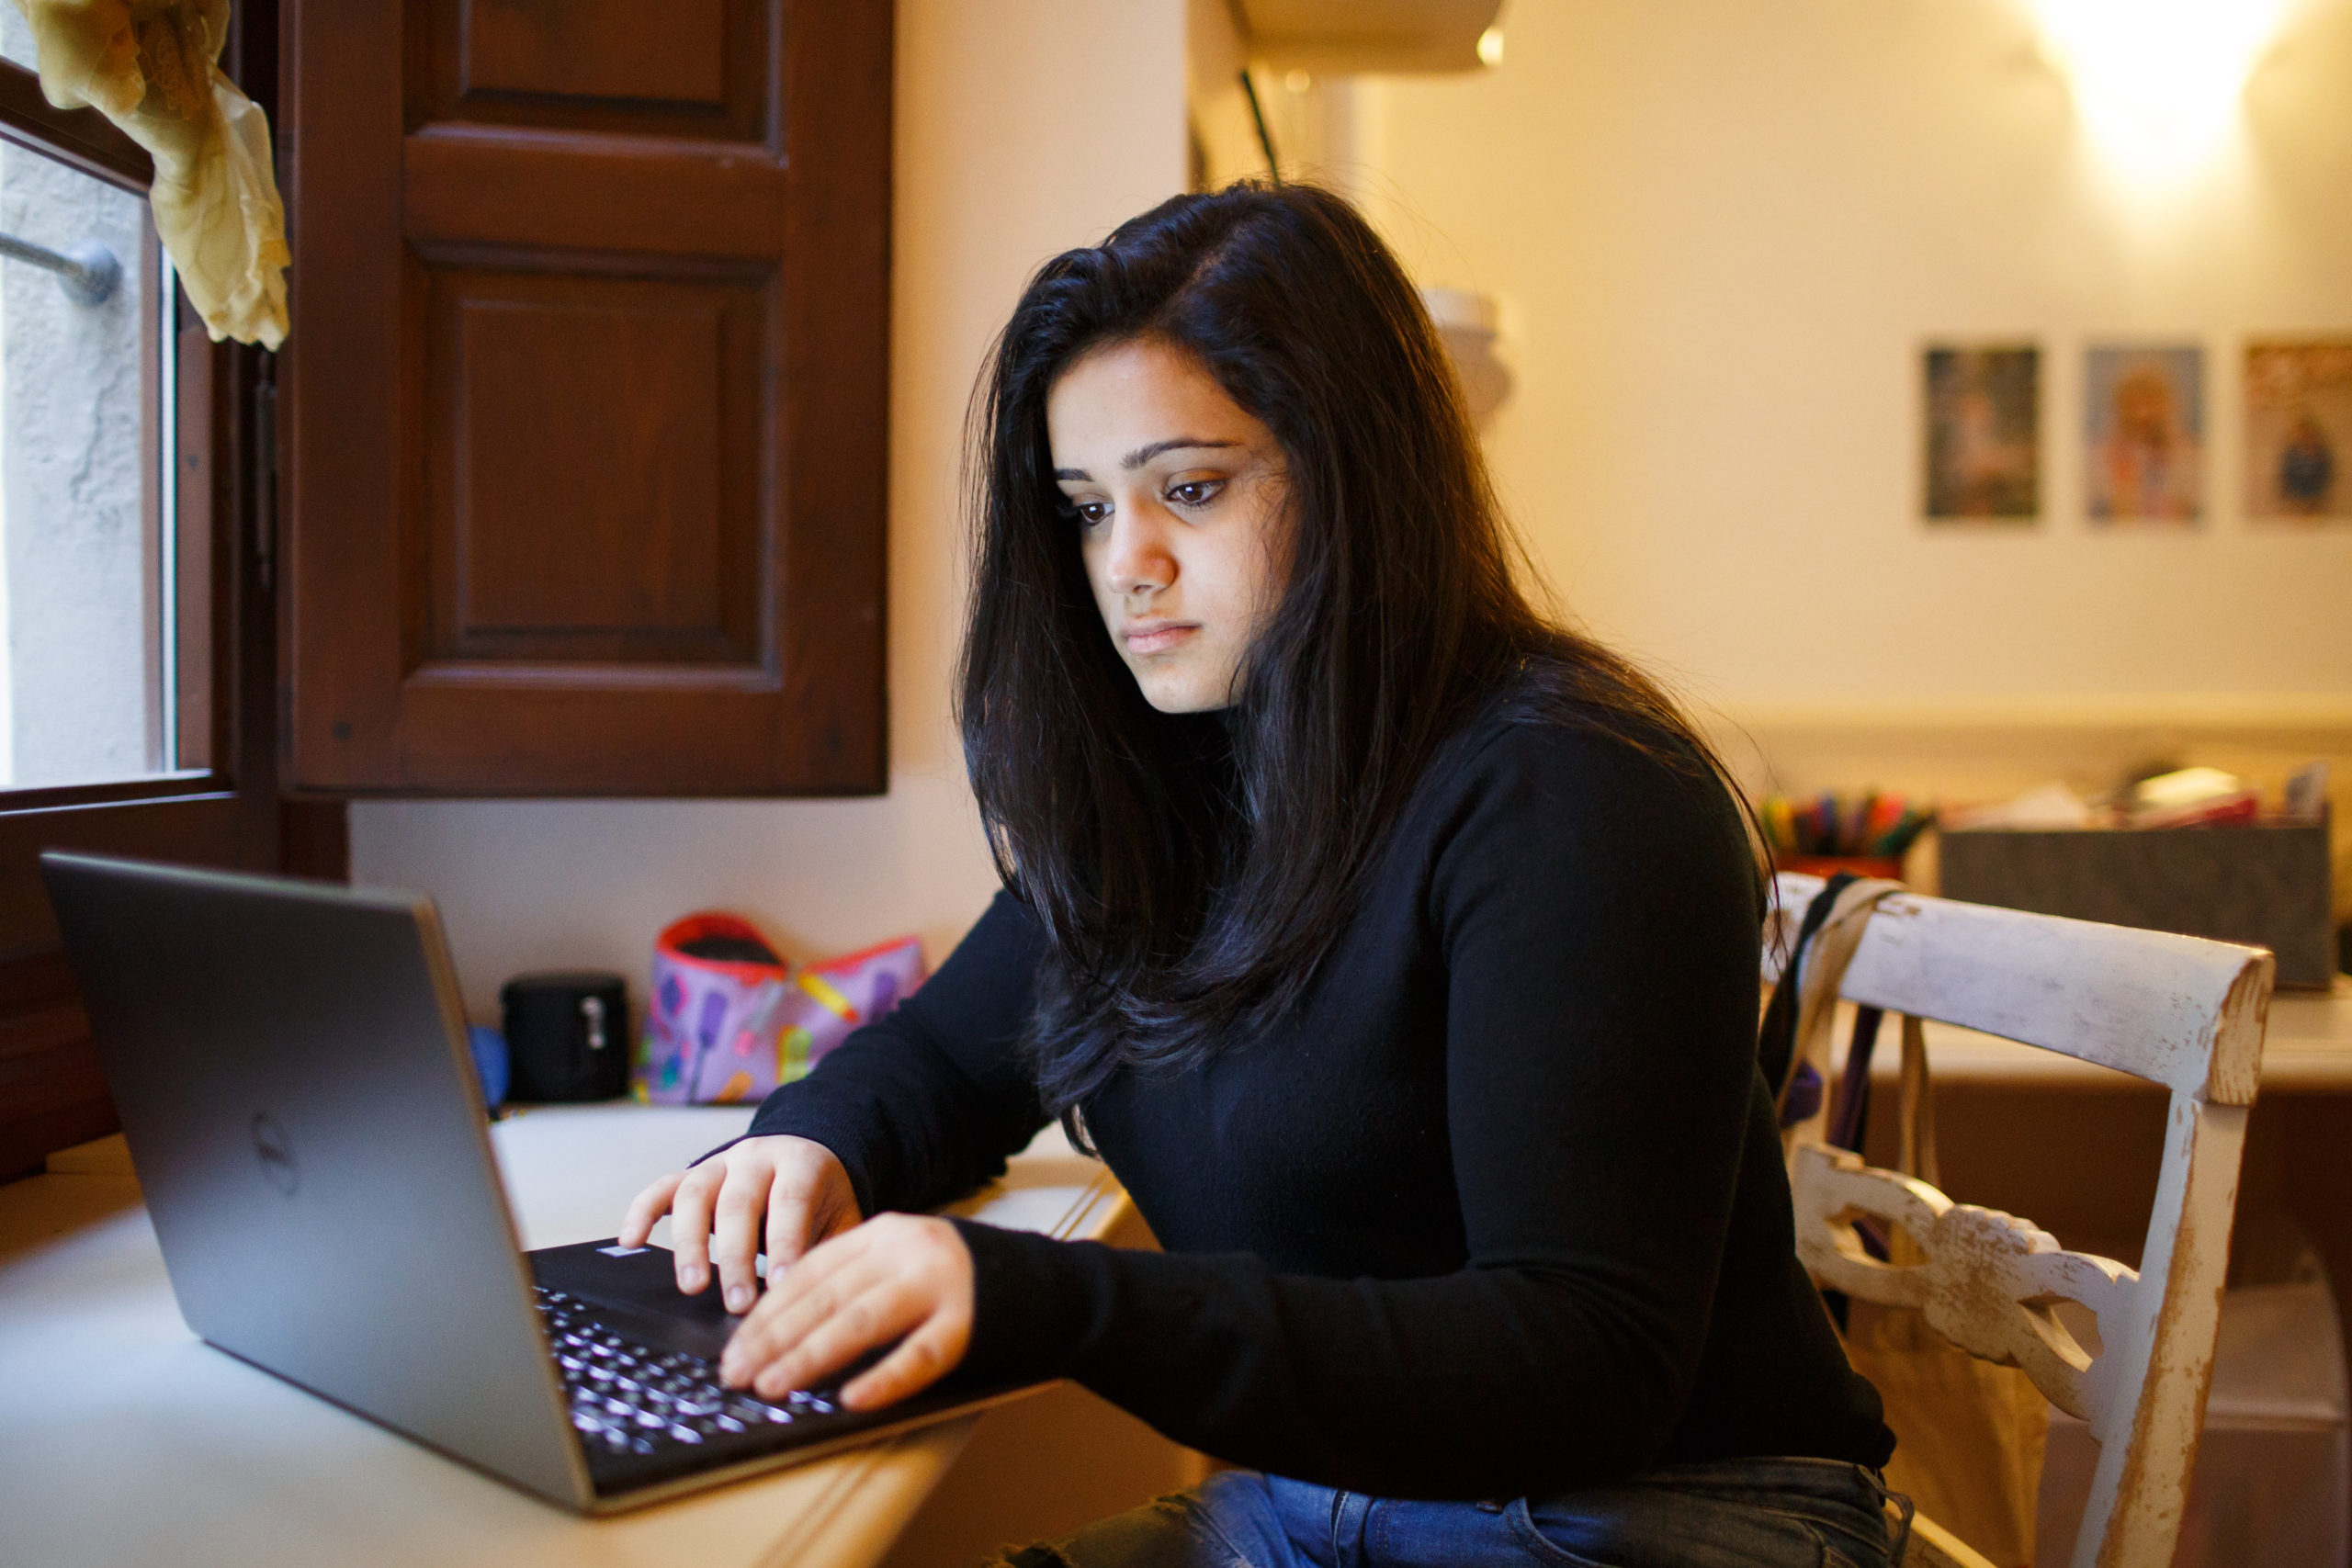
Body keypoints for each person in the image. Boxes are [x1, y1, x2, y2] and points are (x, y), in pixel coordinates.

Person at [618, 182, 1897, 1568]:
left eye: (1190, 489)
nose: (1129, 567)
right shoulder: (1177, 788)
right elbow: (942, 1059)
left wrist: (1052, 1300)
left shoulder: (1576, 791)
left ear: (1355, 474)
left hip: (1663, 1519)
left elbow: (1582, 1361)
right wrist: (811, 1143)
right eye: (1088, 509)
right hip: (1336, 1512)